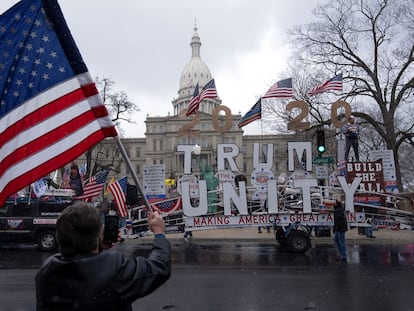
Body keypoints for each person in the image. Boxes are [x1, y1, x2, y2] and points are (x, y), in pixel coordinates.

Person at [35, 202, 171, 310]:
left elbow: (78, 260)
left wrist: (97, 246)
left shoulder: (46, 272)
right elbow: (159, 266)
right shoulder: (112, 268)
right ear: (98, 235)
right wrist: (159, 232)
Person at [333, 196, 348, 261]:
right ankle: (342, 253)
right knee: (336, 240)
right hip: (339, 228)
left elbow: (339, 220)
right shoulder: (338, 209)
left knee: (341, 241)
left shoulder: (339, 210)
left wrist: (337, 227)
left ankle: (343, 255)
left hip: (340, 228)